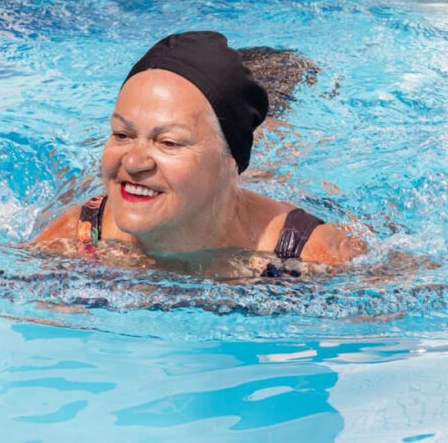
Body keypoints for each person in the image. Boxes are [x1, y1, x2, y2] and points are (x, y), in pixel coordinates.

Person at [25, 31, 364, 276]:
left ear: (231, 164)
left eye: (169, 142)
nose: (133, 161)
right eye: (122, 134)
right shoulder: (78, 237)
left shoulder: (309, 253)